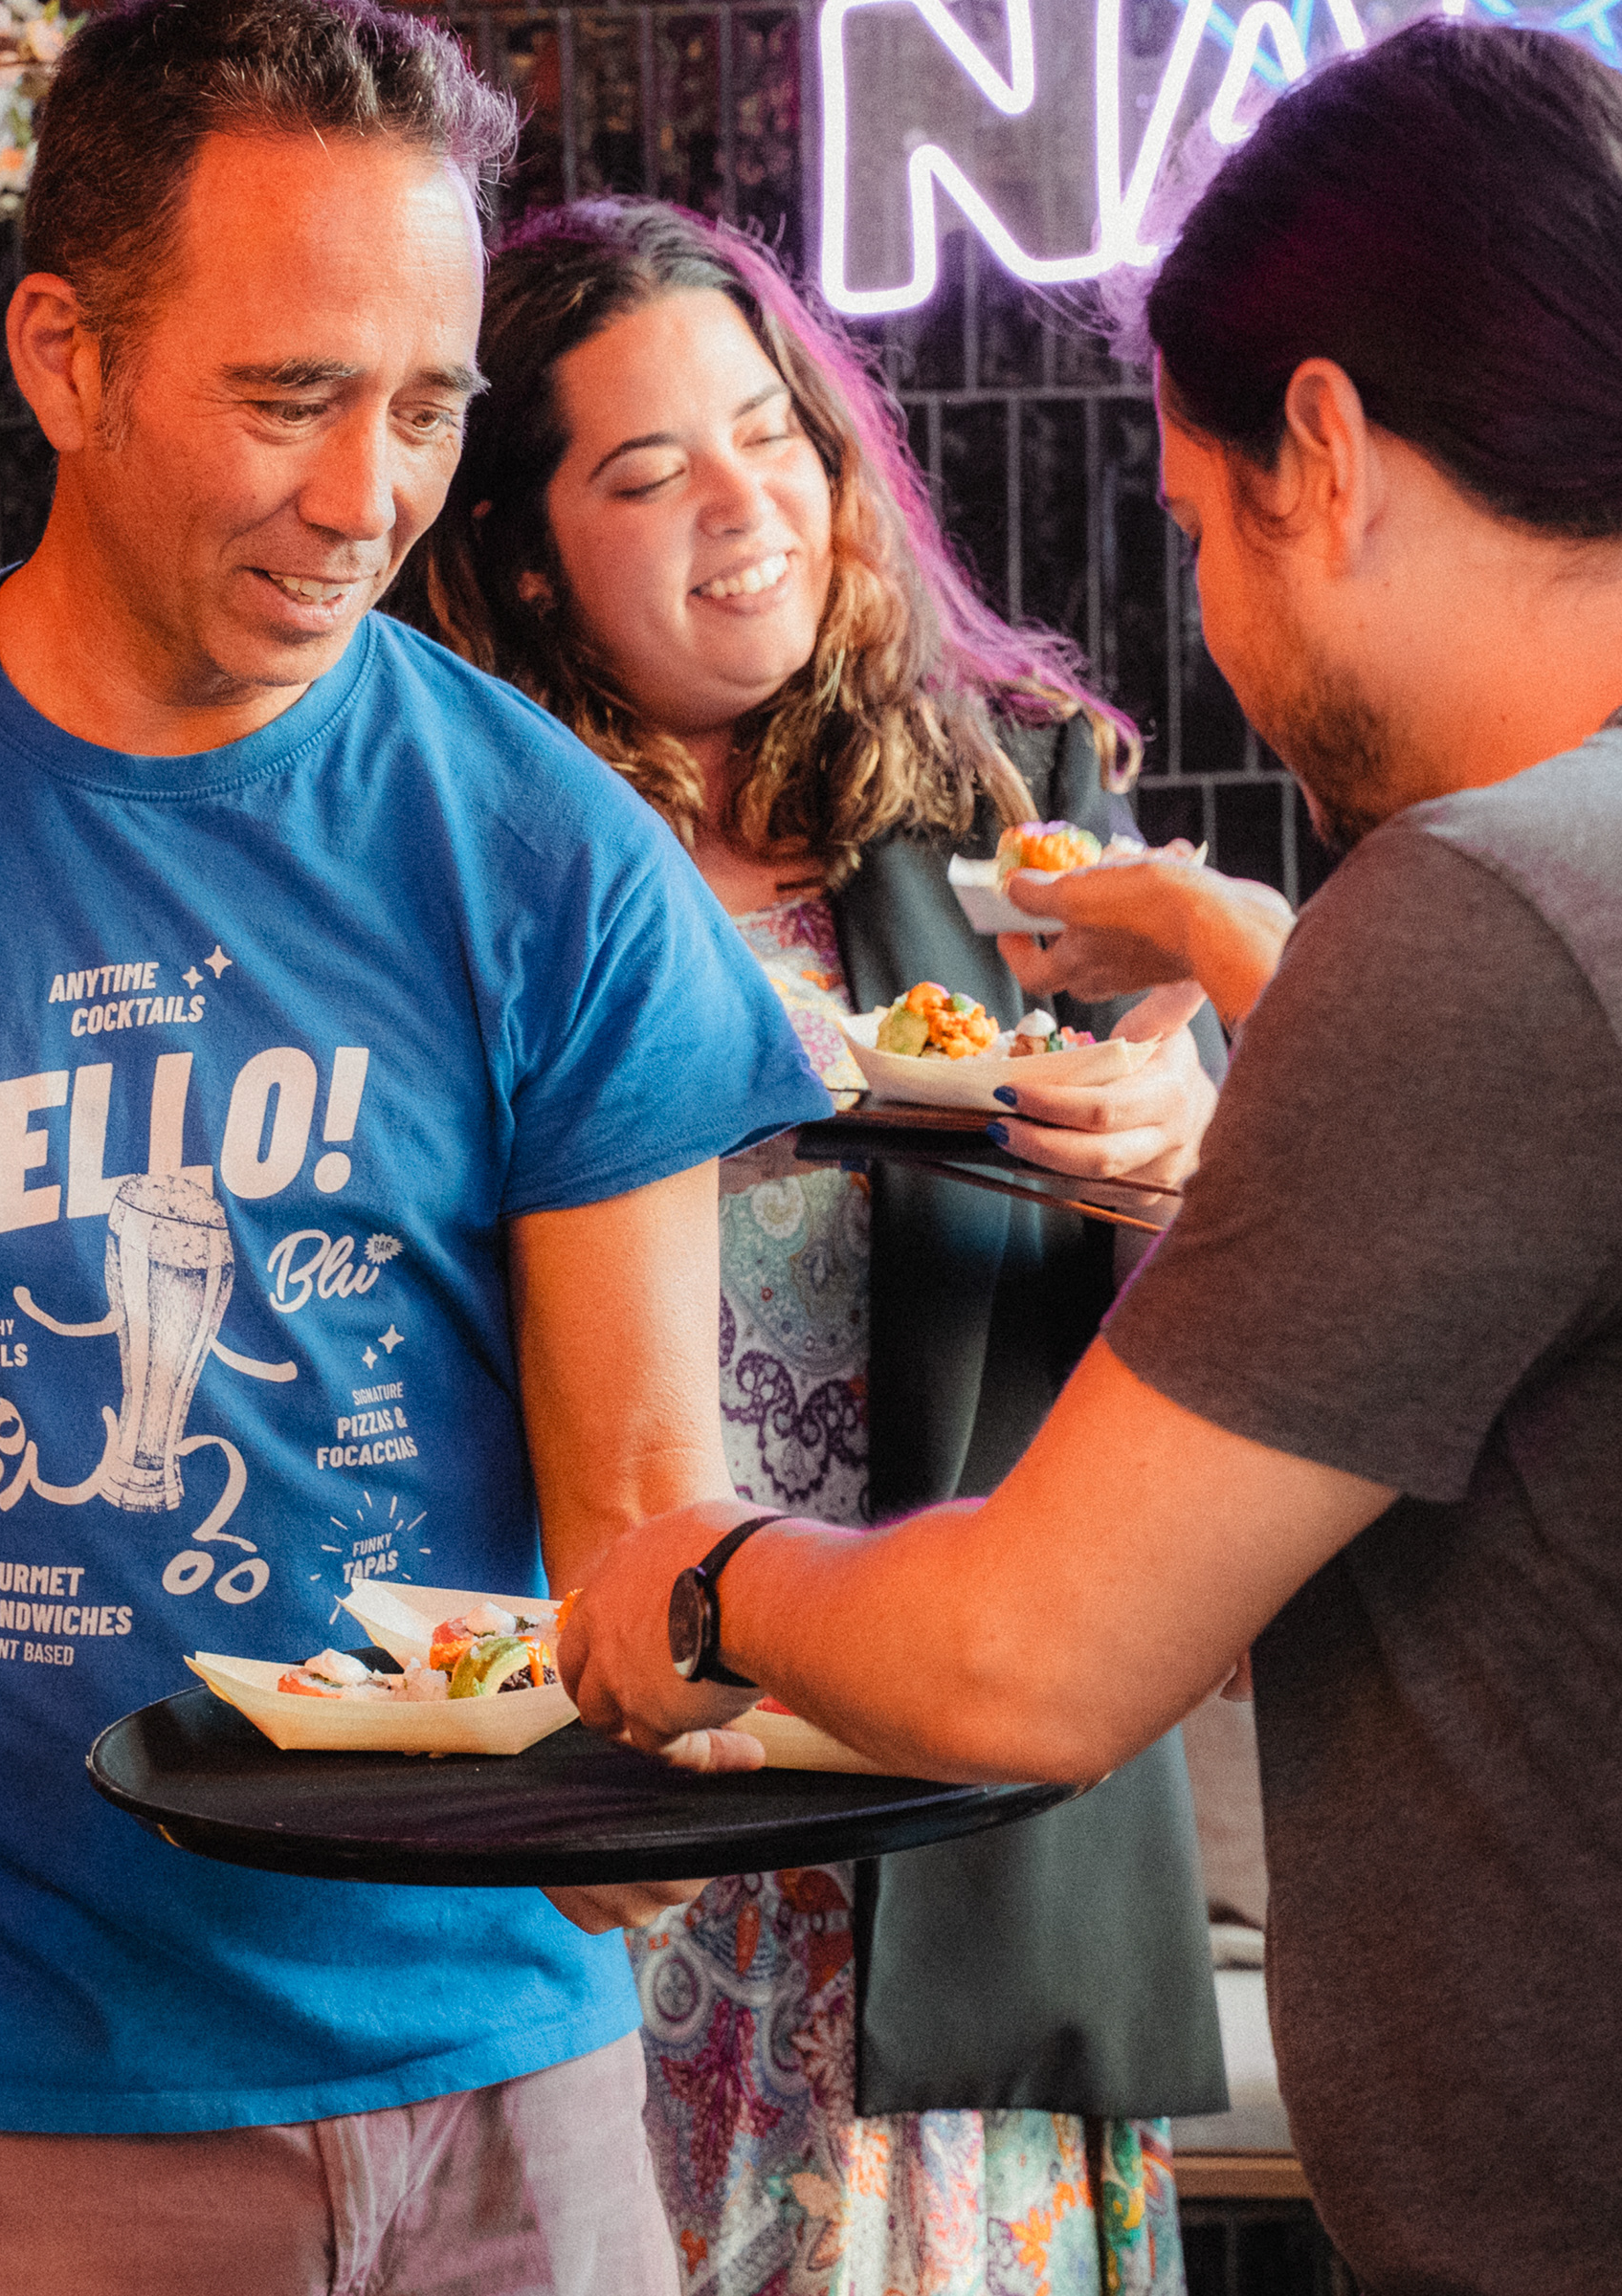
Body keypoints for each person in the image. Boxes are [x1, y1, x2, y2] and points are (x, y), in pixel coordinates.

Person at [558, 22, 1622, 2293]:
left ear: (1323, 448)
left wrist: (704, 1584)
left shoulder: (1488, 910)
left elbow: (1037, 1655)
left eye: (1198, 528)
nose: (1211, 622)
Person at [0, 5, 833, 2291]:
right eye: (289, 398)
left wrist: (679, 1740)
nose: (368, 499)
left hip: (504, 2077)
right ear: (63, 358)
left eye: (428, 407)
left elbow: (640, 1493)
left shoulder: (545, 849)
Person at [402, 198, 1233, 2295]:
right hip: (602, 1801)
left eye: (768, 432)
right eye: (644, 469)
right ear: (522, 552)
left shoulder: (1023, 808)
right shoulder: (456, 859)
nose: (743, 501)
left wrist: (1187, 1141)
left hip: (933, 1811)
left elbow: (1248, 1337)